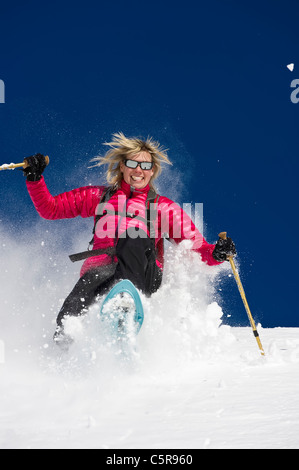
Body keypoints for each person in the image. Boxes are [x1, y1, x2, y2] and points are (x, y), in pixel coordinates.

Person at [24, 133, 236, 348]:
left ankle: (126, 301)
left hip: (143, 274)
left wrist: (216, 253)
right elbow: (50, 209)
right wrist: (35, 179)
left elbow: (196, 247)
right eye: (132, 163)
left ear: (152, 171)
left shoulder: (161, 207)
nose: (138, 170)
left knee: (133, 235)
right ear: (122, 167)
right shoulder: (100, 197)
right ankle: (65, 355)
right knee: (69, 316)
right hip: (100, 272)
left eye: (145, 165)